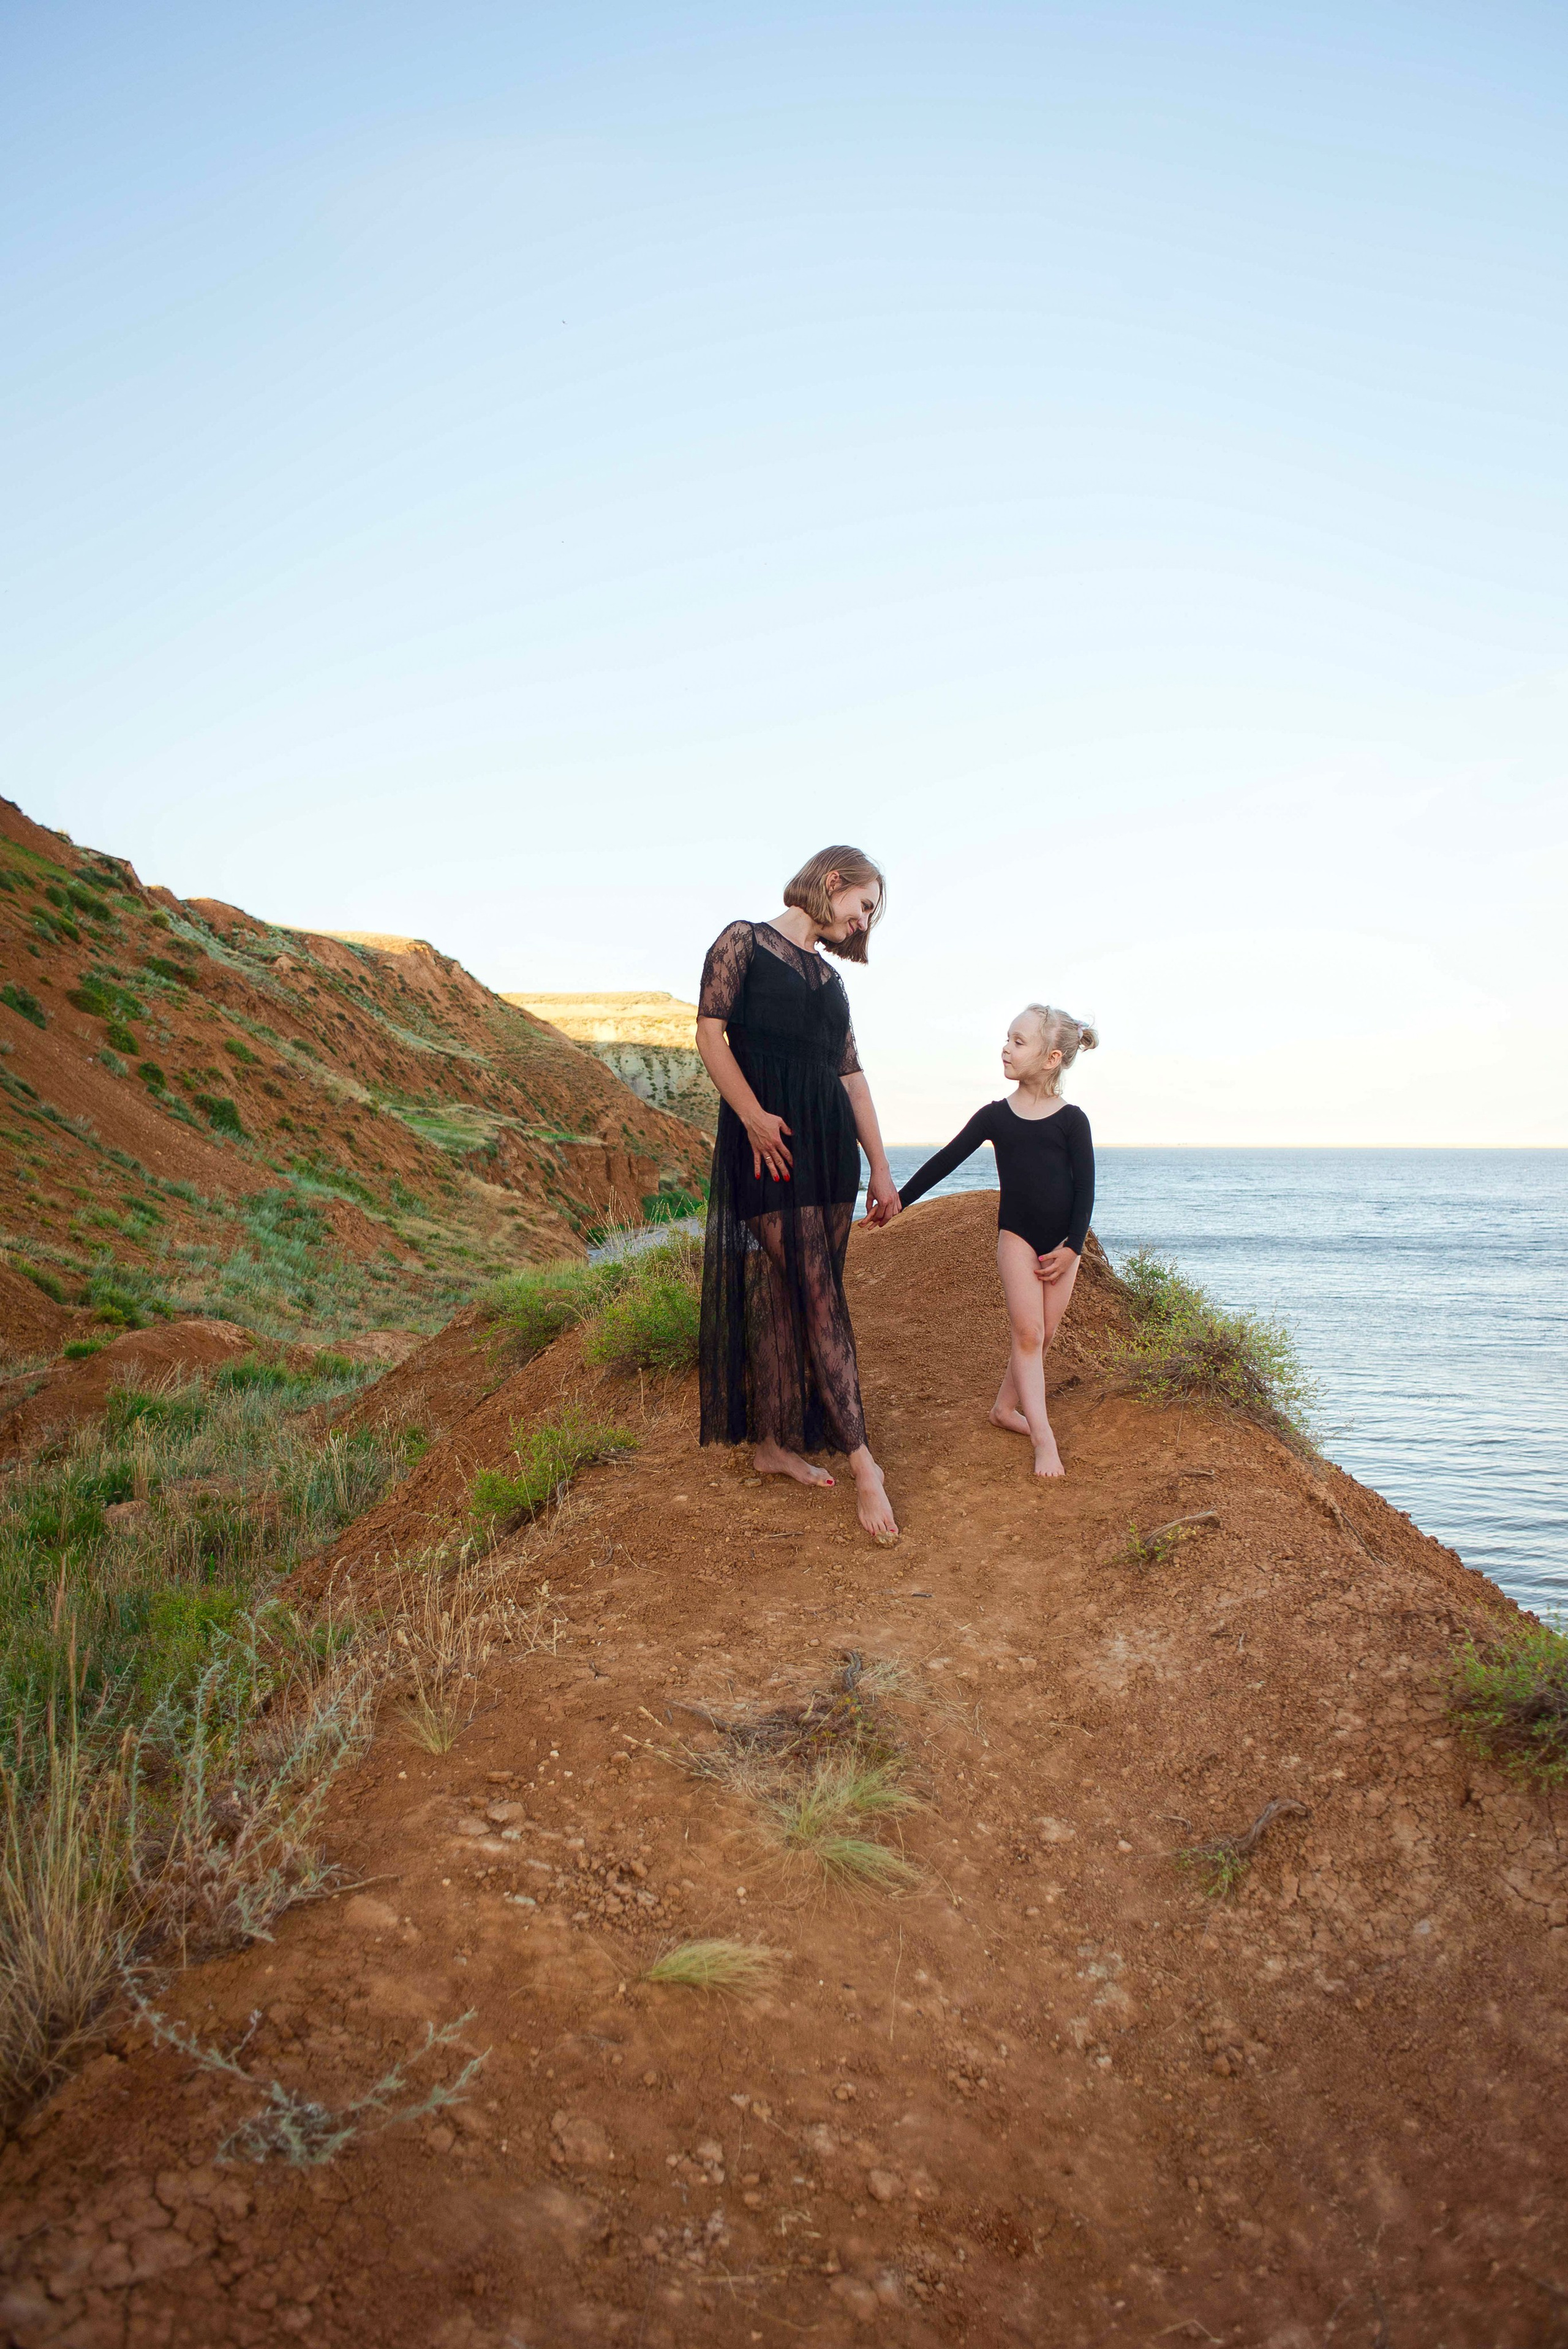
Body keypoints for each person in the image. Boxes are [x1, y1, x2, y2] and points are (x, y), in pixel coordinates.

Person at [695, 848, 900, 1540]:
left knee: (795, 1292)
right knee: (818, 1291)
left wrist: (880, 1168)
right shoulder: (743, 942)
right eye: (864, 905)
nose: (864, 921)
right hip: (770, 1145)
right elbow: (710, 1035)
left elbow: (853, 1078)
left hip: (830, 1152)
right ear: (833, 881)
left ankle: (774, 1444)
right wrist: (752, 1116)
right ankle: (864, 1463)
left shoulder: (831, 981)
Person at [894, 1005, 1098, 1478]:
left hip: (1063, 1245)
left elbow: (1086, 1189)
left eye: (1018, 1041)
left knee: (1043, 1335)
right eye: (1007, 1038)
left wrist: (1073, 1248)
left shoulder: (1073, 1120)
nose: (1006, 1048)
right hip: (1017, 1237)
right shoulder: (995, 1117)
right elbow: (946, 1160)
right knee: (1028, 1334)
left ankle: (1005, 1409)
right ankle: (1044, 1439)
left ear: (1051, 1058)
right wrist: (899, 1201)